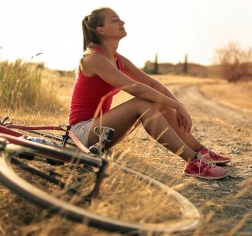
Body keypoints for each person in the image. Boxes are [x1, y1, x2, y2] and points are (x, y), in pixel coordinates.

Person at [69, 7, 230, 180]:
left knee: (159, 101)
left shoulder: (117, 59)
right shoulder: (93, 58)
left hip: (102, 132)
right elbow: (136, 88)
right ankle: (192, 162)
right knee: (142, 103)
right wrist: (176, 106)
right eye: (114, 20)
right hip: (81, 134)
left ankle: (200, 152)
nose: (122, 22)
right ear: (100, 30)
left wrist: (178, 106)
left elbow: (152, 83)